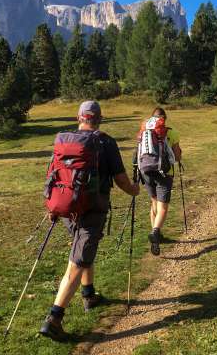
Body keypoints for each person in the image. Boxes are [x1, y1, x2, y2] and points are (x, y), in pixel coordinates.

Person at [40, 101, 140, 342]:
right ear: (99, 118)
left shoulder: (64, 140)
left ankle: (88, 294)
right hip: (93, 208)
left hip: (67, 207)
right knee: (78, 260)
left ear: (79, 117)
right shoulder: (105, 142)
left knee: (83, 251)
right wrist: (135, 190)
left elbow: (53, 174)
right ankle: (54, 318)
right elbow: (121, 180)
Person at [138, 107, 182, 256]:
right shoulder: (171, 132)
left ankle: (156, 235)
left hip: (146, 171)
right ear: (164, 119)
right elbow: (177, 156)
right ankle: (156, 232)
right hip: (164, 173)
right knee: (163, 207)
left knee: (154, 202)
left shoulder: (144, 131)